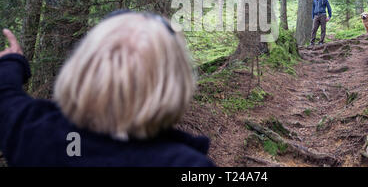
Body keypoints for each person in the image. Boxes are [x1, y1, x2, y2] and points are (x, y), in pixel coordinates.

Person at [0, 10, 215, 166]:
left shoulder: (37, 135)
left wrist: (12, 61)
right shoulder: (184, 164)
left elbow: (5, 96)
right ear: (174, 86)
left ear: (80, 67)